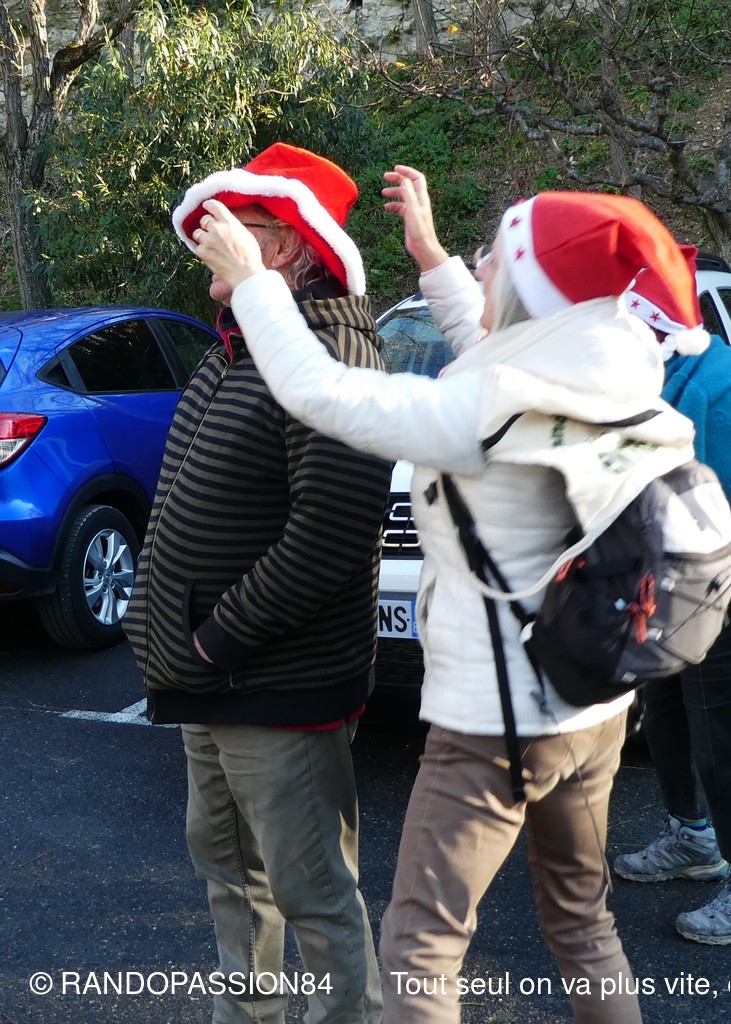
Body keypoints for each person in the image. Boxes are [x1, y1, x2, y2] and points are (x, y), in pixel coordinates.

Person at [190, 165, 704, 1024]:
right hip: (593, 709)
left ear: (533, 290)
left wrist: (252, 283)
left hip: (493, 725)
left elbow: (324, 393)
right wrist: (430, 258)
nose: (480, 267)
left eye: (494, 258)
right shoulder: (619, 376)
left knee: (421, 945)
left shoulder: (491, 405)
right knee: (582, 922)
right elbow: (500, 348)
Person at [124, 143, 391, 1024]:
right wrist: (156, 627)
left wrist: (213, 642)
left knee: (313, 894)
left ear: (284, 248)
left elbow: (331, 536)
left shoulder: (332, 355)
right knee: (232, 878)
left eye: (229, 229)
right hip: (207, 678)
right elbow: (183, 503)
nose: (205, 244)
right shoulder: (233, 348)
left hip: (271, 684)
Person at [613, 247, 731, 945]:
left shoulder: (715, 380)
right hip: (660, 584)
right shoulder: (653, 377)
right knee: (664, 715)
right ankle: (692, 836)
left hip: (712, 584)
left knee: (718, 734)